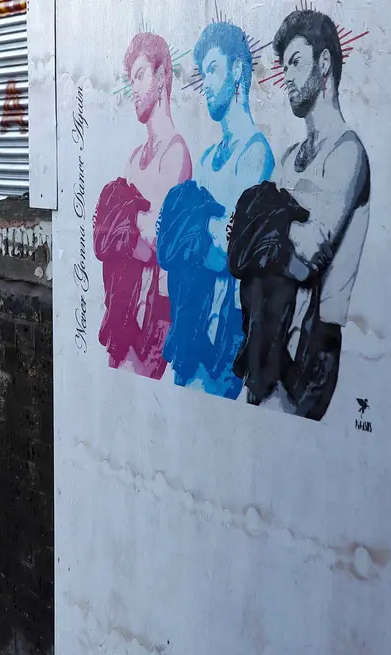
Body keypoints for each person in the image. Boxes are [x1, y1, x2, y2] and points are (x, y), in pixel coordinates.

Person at [234, 9, 370, 419]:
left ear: (324, 63)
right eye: (282, 66)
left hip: (308, 352)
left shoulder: (348, 151)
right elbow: (252, 244)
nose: (286, 77)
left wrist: (266, 224)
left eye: (295, 62)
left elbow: (310, 251)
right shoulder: (289, 158)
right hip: (265, 341)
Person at [157, 22, 274, 398]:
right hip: (192, 329)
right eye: (202, 72)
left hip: (226, 337)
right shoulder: (207, 159)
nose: (204, 83)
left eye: (212, 69)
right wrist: (197, 231)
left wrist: (193, 230)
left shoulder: (255, 153)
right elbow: (175, 239)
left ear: (237, 71)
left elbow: (228, 250)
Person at [94, 32, 191, 379]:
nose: (132, 89)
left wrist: (123, 225)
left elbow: (150, 241)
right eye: (129, 79)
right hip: (122, 309)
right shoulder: (134, 157)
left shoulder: (175, 153)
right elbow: (104, 229)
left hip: (152, 316)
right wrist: (124, 227)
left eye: (139, 76)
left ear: (162, 75)